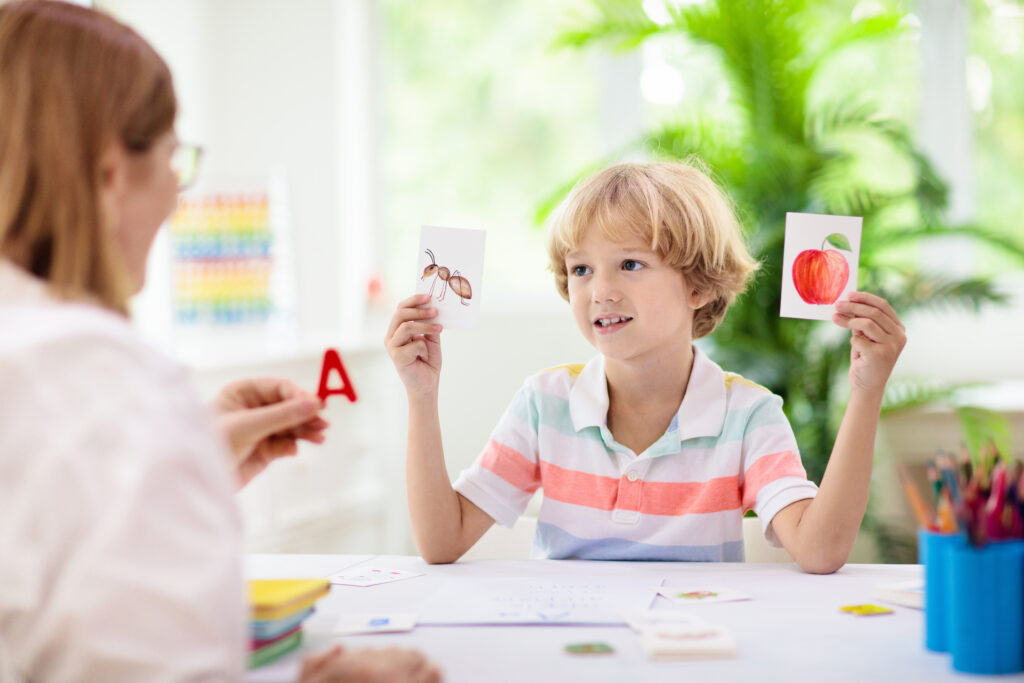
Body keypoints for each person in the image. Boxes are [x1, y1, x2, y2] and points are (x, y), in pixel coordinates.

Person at [0, 2, 439, 681]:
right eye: (175, 162)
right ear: (111, 173)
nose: (178, 200)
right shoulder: (101, 374)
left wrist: (182, 458)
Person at [386, 161, 906, 573]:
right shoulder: (545, 404)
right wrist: (421, 396)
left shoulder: (749, 415)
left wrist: (866, 392)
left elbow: (820, 551)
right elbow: (440, 541)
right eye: (581, 269)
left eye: (630, 264)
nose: (600, 291)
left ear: (698, 286)